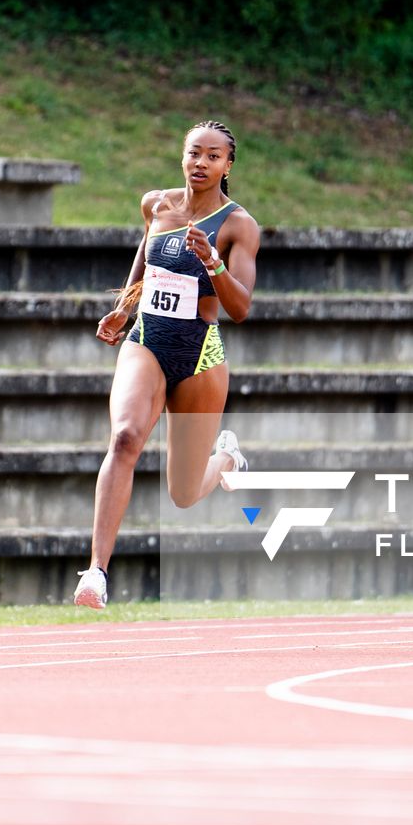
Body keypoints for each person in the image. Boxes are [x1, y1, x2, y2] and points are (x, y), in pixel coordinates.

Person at [74, 121, 263, 609]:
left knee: (181, 493)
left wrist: (214, 264)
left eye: (213, 156)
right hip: (148, 339)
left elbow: (240, 309)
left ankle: (225, 458)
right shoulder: (156, 204)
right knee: (125, 437)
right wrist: (125, 303)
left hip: (200, 352)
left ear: (228, 165)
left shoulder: (238, 225)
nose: (201, 163)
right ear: (182, 157)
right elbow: (145, 253)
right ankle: (95, 572)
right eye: (194, 153)